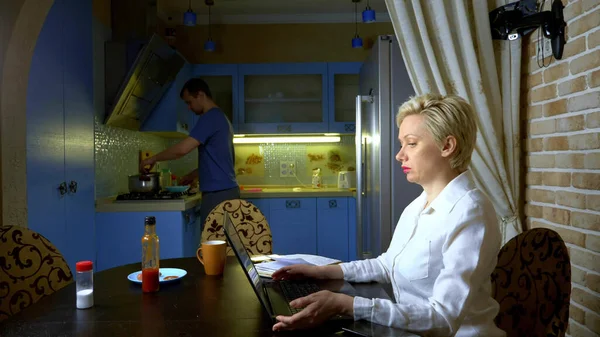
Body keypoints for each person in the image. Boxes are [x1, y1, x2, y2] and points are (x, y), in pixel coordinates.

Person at [271, 93, 506, 336]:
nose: (400, 155)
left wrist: (349, 305)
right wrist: (322, 271)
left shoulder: (471, 213)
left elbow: (443, 318)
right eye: (401, 143)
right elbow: (387, 264)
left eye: (411, 143)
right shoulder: (419, 204)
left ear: (447, 146)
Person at [140, 77, 240, 226]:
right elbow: (220, 160)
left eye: (189, 102)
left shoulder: (210, 117)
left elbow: (182, 150)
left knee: (212, 245)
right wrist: (193, 175)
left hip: (218, 195)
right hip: (226, 192)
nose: (189, 107)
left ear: (200, 95)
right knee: (221, 244)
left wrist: (152, 159)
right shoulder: (221, 117)